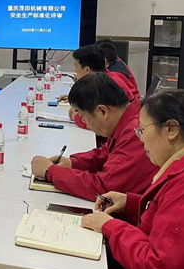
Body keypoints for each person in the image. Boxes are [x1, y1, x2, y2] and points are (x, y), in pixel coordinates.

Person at [82, 89, 184, 269]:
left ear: (171, 129)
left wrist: (110, 226)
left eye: (142, 130)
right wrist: (131, 202)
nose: (141, 139)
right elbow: (173, 216)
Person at [31, 73, 158, 201]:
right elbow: (106, 154)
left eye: (83, 116)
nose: (84, 122)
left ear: (102, 111)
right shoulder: (124, 121)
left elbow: (104, 189)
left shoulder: (135, 133)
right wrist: (73, 163)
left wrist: (51, 172)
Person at [58, 45, 136, 130]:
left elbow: (100, 123)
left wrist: (76, 116)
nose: (75, 71)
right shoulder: (106, 77)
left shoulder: (105, 84)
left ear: (87, 70)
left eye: (76, 67)